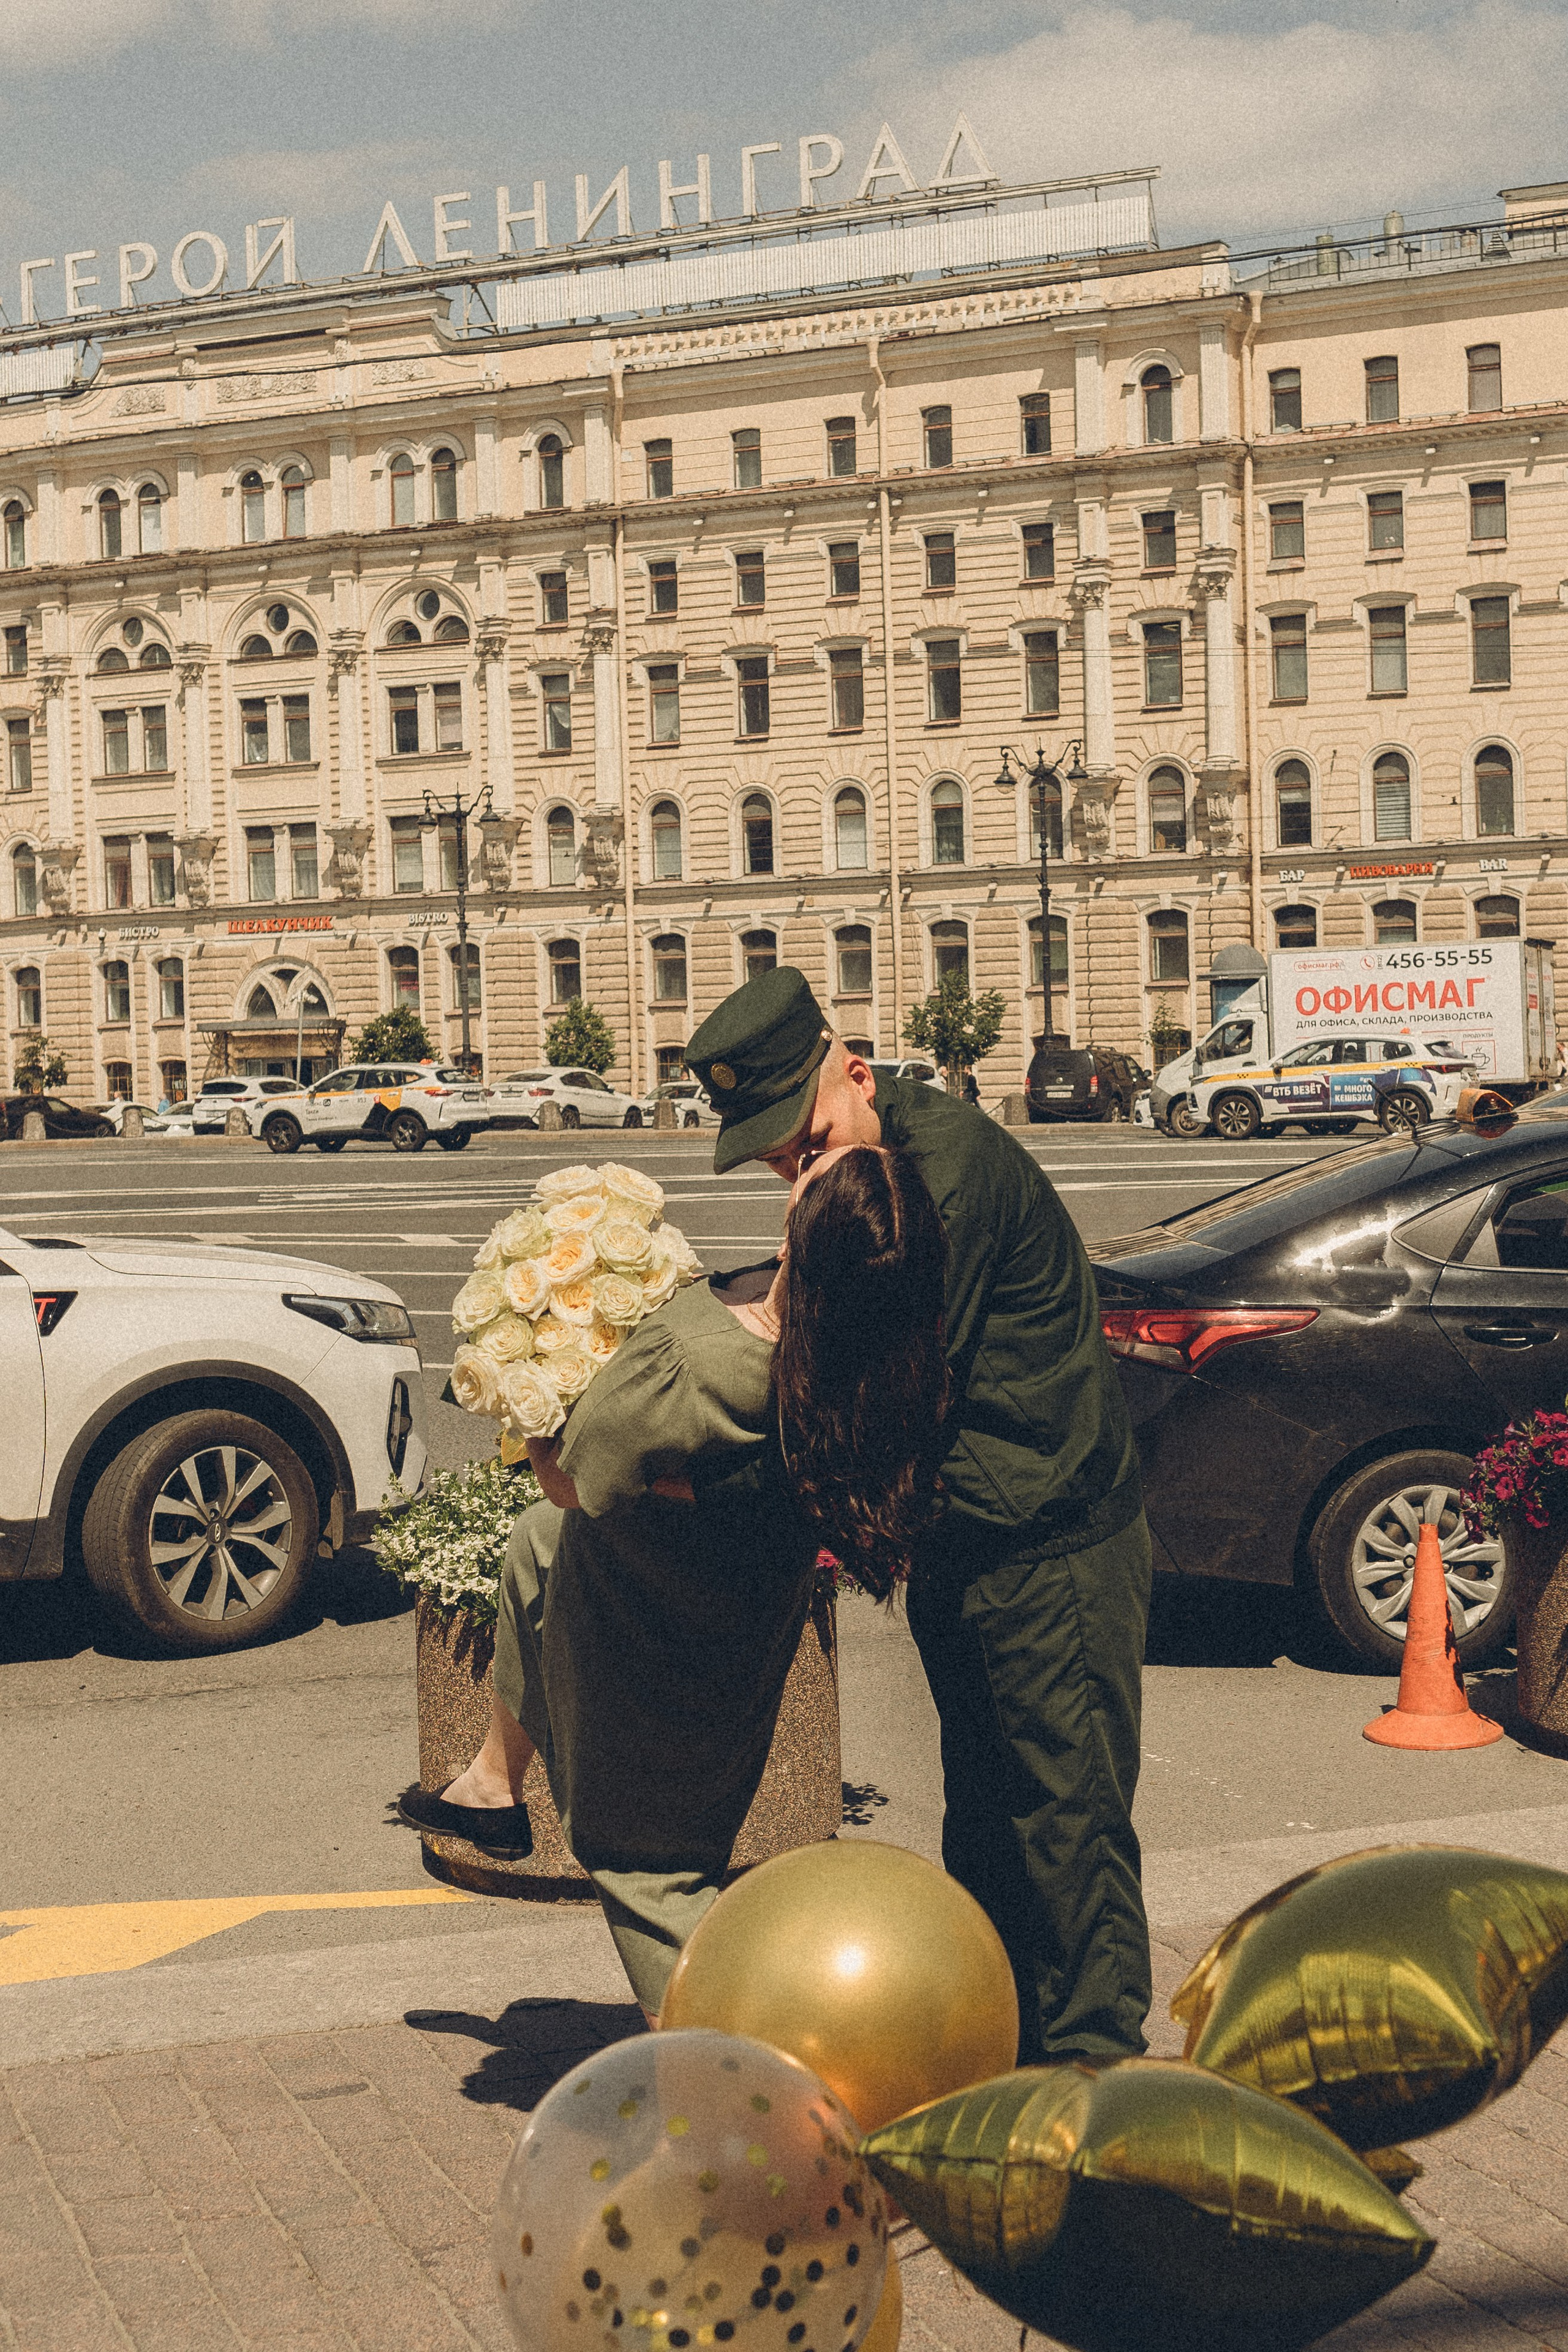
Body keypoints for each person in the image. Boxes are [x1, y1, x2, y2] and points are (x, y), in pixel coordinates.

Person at [683, 966, 1152, 2064]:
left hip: (1053, 1548)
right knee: (988, 1829)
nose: (797, 1171)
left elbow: (865, 1399)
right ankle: (994, 2061)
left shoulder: (941, 1184)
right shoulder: (877, 1164)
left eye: (805, 1141)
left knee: (1065, 1833)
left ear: (854, 1070)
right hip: (970, 1538)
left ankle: (1097, 2106)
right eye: (778, 1159)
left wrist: (700, 1479)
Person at [399, 1144, 949, 2018]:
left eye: (813, 1171)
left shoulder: (697, 1363)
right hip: (745, 1611)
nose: (800, 1161)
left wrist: (531, 1402)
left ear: (800, 1233)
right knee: (536, 1549)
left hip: (647, 1617)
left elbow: (570, 1483)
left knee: (646, 1867)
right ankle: (492, 1786)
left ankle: (754, 2068)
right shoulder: (869, 1345)